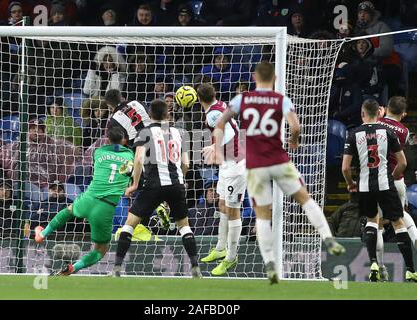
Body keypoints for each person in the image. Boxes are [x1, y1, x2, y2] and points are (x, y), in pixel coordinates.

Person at [209, 61, 345, 284]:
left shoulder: (242, 98)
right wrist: (293, 140)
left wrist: (217, 147)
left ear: (254, 77)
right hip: (278, 159)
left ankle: (270, 263)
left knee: (262, 216)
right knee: (305, 199)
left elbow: (222, 123)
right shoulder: (281, 100)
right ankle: (327, 237)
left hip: (255, 164)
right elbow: (296, 126)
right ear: (275, 78)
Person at [113, 100, 201, 278]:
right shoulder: (178, 132)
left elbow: (138, 160)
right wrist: (180, 179)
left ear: (150, 114)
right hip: (176, 185)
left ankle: (116, 269)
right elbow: (186, 163)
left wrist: (134, 185)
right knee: (184, 227)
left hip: (152, 185)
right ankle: (195, 267)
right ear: (167, 114)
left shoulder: (144, 132)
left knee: (129, 225)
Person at [34, 126, 134, 275]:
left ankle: (42, 234)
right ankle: (74, 267)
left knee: (68, 210)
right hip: (105, 207)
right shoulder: (129, 155)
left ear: (107, 139)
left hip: (89, 197)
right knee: (101, 249)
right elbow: (127, 172)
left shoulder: (98, 152)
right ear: (125, 140)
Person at [342, 99, 417, 282]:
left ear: (362, 114)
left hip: (365, 185)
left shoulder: (354, 133)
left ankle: (375, 264)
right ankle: (410, 269)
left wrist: (351, 183)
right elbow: (403, 162)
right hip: (387, 183)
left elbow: (345, 168)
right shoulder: (390, 132)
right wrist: (393, 176)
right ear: (379, 112)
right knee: (399, 221)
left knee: (373, 223)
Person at [198, 83, 246, 276]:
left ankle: (231, 256)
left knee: (233, 210)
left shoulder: (211, 114)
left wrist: (214, 148)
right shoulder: (219, 105)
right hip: (227, 164)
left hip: (236, 163)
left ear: (198, 99)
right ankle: (220, 248)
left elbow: (229, 132)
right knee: (222, 204)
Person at [376, 96, 417, 279]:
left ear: (387, 108)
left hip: (377, 178)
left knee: (376, 222)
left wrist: (380, 115)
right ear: (404, 114)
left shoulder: (376, 123)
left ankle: (379, 268)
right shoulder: (405, 131)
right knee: (400, 216)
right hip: (397, 179)